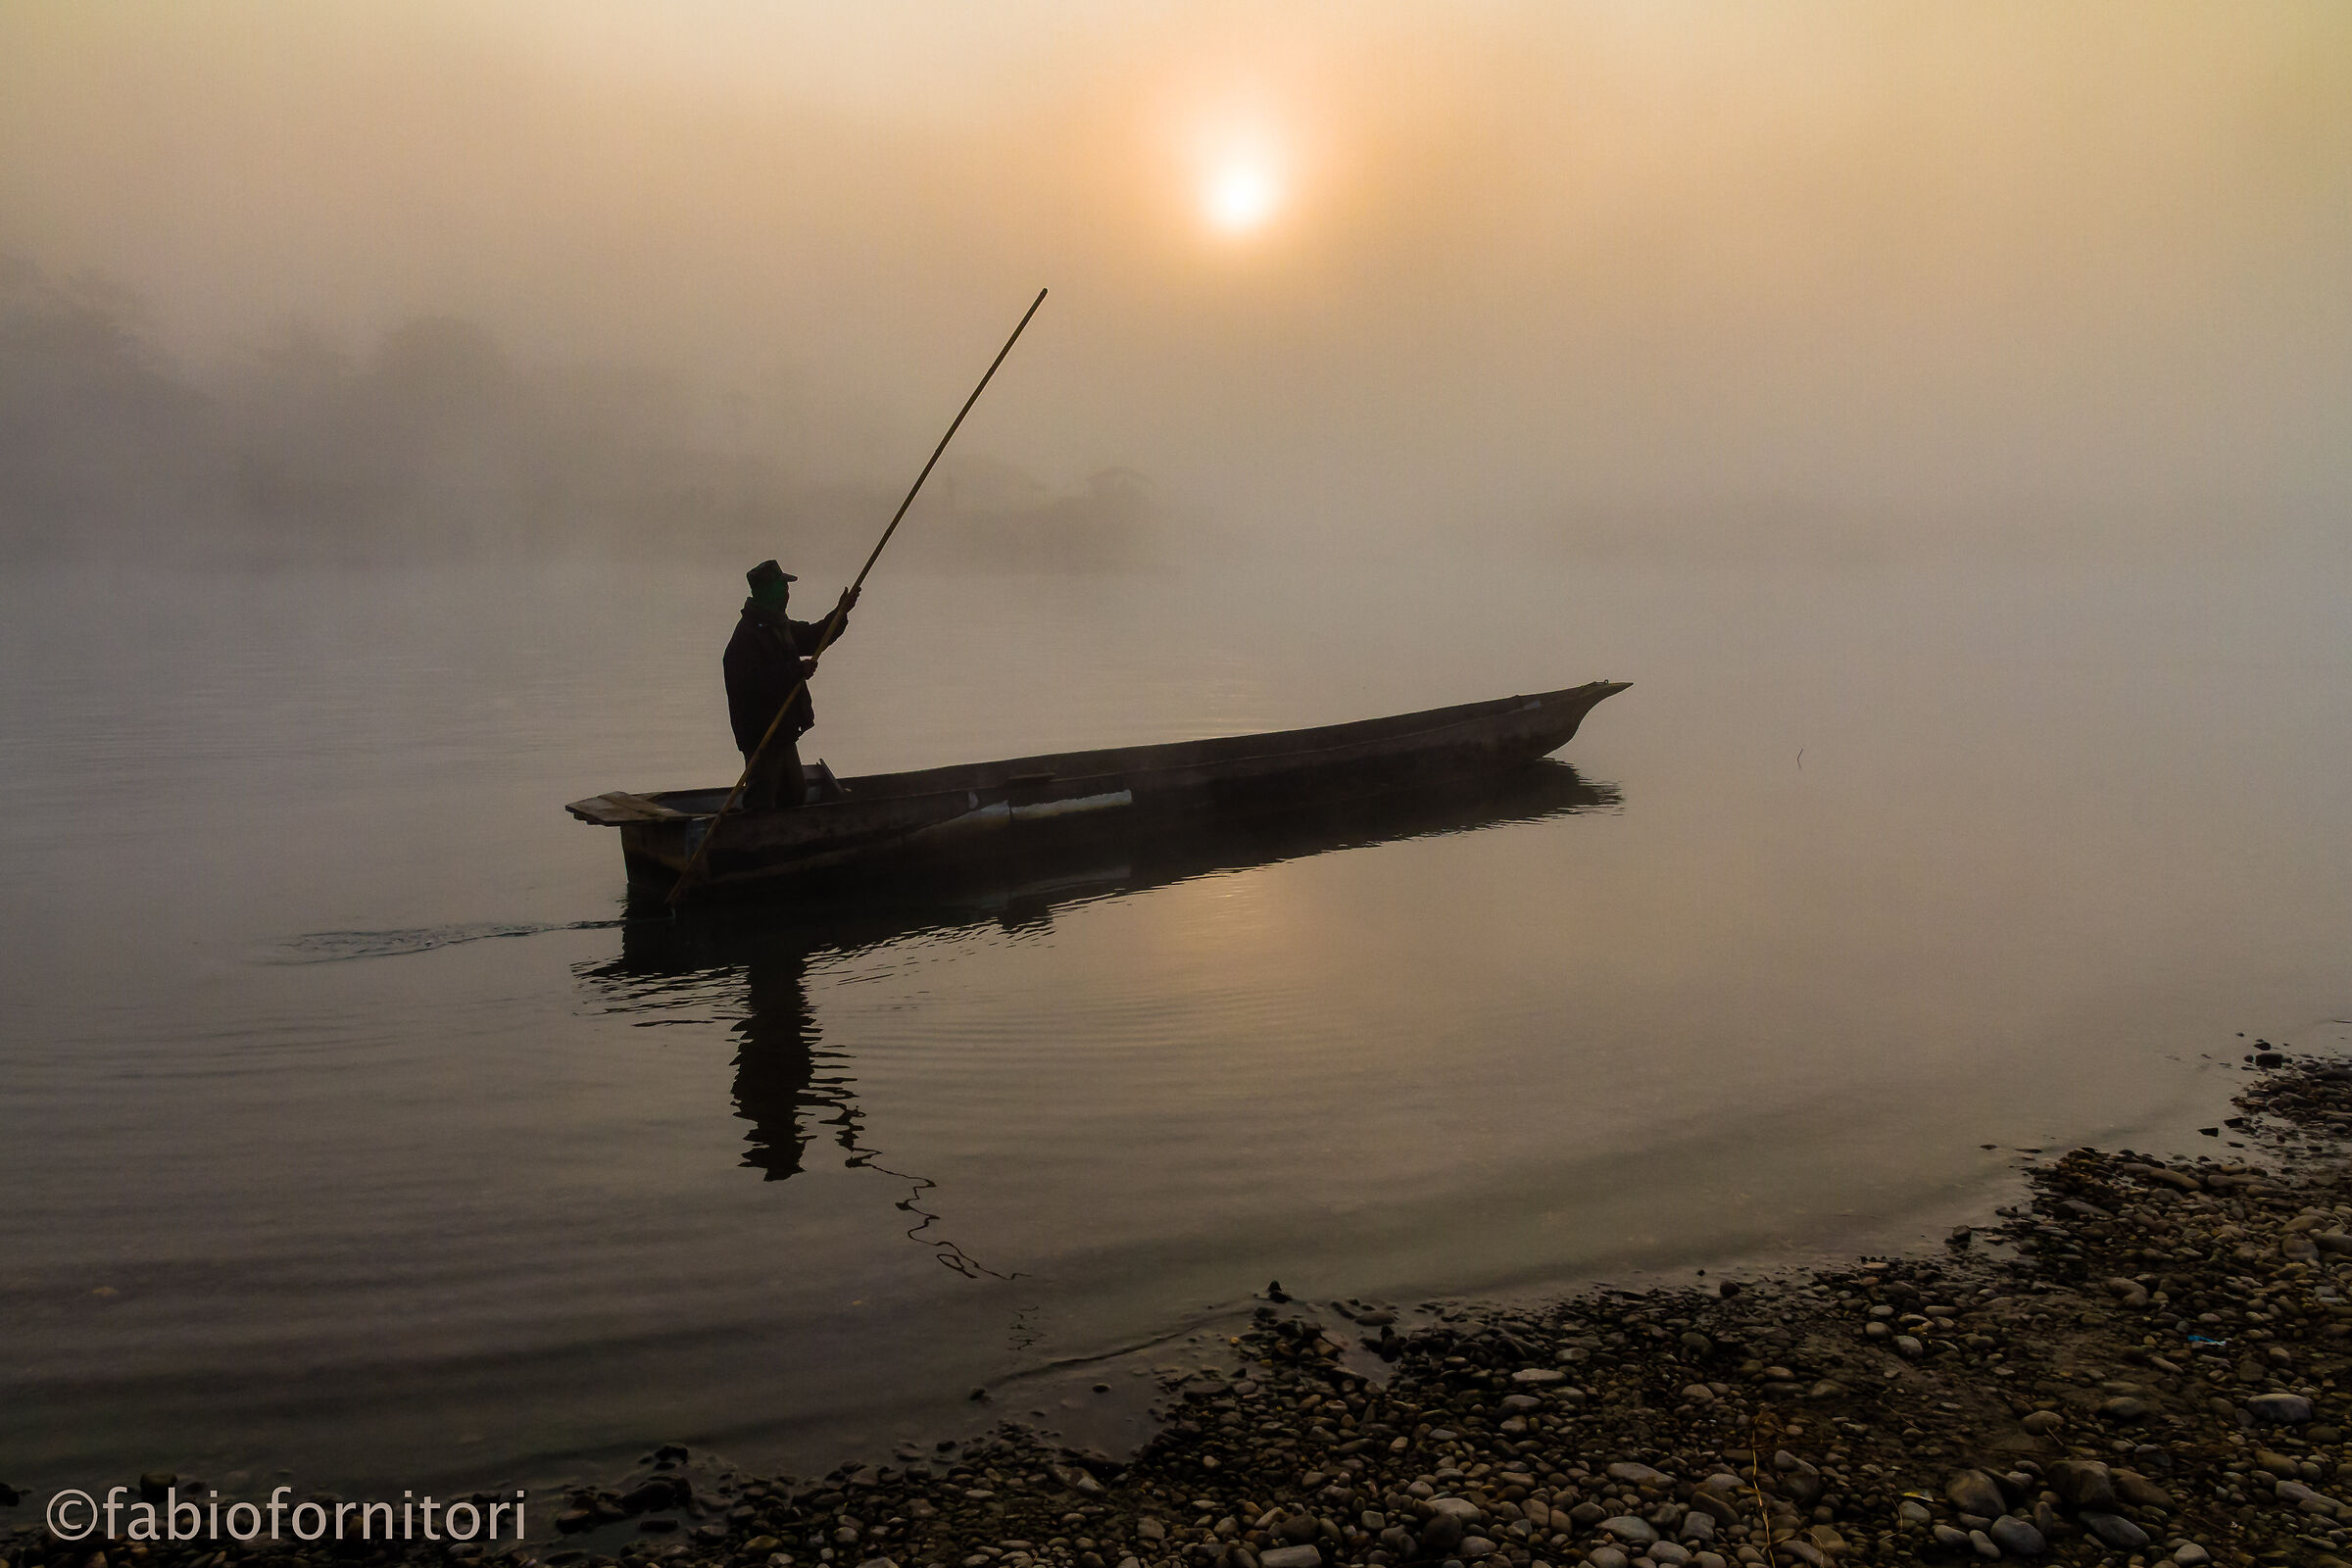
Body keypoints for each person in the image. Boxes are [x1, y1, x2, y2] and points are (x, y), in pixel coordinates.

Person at [723, 560, 857, 808]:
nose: (787, 593)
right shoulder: (746, 637)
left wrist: (841, 612)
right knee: (762, 794)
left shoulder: (778, 625)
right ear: (768, 591)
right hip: (761, 733)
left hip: (782, 731)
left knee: (794, 793)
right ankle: (757, 839)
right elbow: (751, 685)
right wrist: (796, 670)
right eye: (782, 587)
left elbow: (815, 637)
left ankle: (785, 839)